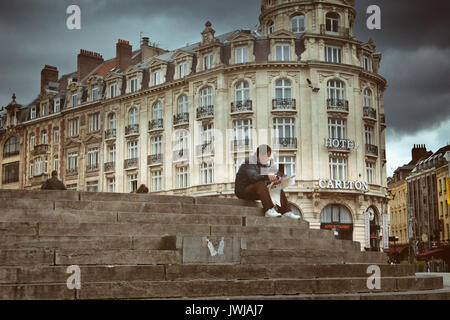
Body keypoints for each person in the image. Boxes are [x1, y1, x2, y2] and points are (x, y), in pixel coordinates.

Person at [234, 144, 300, 219]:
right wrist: (267, 176)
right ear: (260, 155)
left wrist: (278, 179)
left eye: (269, 156)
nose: (268, 158)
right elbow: (253, 177)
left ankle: (286, 212)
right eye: (267, 156)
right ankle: (268, 210)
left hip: (257, 191)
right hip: (243, 191)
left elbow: (274, 174)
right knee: (260, 183)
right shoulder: (249, 162)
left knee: (275, 187)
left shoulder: (264, 165)